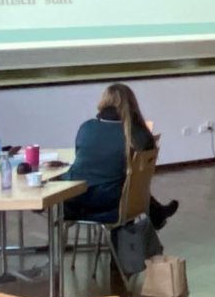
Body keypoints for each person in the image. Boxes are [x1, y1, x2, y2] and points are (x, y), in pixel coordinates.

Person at [66, 83, 175, 227]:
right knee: (127, 180)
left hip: (78, 196)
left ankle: (157, 213)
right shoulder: (136, 134)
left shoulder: (87, 127)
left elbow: (82, 155)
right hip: (116, 201)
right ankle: (157, 213)